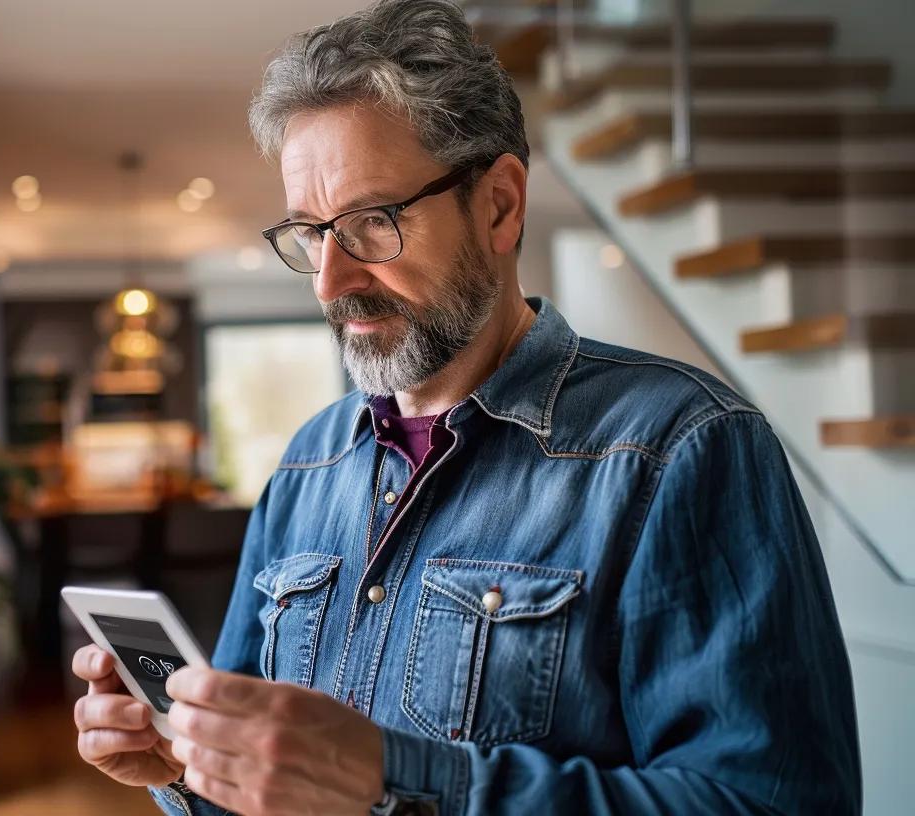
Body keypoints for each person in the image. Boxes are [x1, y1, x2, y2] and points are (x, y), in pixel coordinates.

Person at [72, 1, 860, 813]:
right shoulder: (309, 464)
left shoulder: (680, 450)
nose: (330, 281)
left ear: (500, 206)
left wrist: (392, 780)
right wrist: (182, 768)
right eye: (311, 233)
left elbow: (772, 802)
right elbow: (258, 778)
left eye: (372, 223)